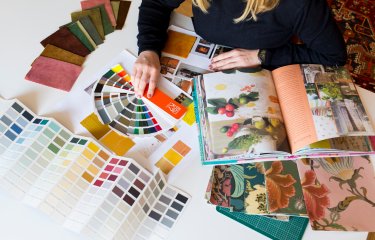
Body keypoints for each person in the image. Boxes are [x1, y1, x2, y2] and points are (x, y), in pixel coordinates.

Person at [133, 0, 347, 97]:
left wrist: (264, 55)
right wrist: (149, 49)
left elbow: (334, 57)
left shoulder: (301, 5)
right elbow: (156, 4)